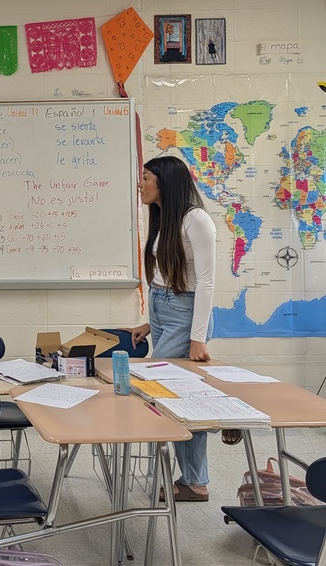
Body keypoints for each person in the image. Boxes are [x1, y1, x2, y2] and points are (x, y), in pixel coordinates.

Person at [129, 155, 216, 503]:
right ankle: (194, 480)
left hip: (186, 311)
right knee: (178, 396)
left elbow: (207, 281)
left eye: (146, 177)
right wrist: (151, 321)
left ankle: (195, 481)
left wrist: (197, 337)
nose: (141, 184)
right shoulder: (163, 217)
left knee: (164, 391)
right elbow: (166, 275)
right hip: (163, 306)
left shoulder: (196, 219)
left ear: (164, 181)